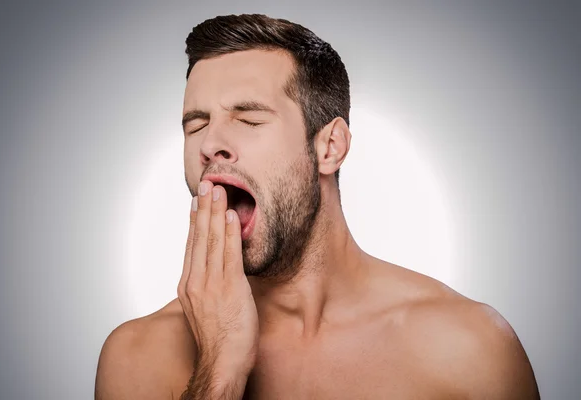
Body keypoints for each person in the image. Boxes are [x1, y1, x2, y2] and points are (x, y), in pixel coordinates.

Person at [95, 14, 540, 399]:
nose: (210, 145)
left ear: (330, 146)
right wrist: (220, 368)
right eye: (196, 125)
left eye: (248, 120)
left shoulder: (469, 348)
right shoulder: (136, 358)